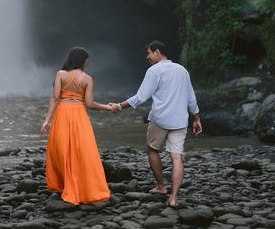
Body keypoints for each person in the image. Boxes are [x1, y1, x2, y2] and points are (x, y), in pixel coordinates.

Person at [110, 40, 202, 208]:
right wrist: (196, 119)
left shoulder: (154, 71)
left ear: (158, 51)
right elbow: (191, 98)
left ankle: (161, 186)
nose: (148, 57)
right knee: (177, 157)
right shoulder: (182, 70)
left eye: (149, 53)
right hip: (180, 120)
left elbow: (141, 96)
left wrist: (119, 106)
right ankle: (174, 197)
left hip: (160, 118)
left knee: (153, 149)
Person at [41, 46, 111, 205]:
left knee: (62, 149)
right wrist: (107, 107)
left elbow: (54, 98)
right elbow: (90, 104)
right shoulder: (87, 79)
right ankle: (82, 186)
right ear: (83, 61)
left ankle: (66, 184)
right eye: (87, 61)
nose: (87, 63)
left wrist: (47, 120)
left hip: (62, 113)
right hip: (79, 114)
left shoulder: (61, 74)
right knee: (82, 150)